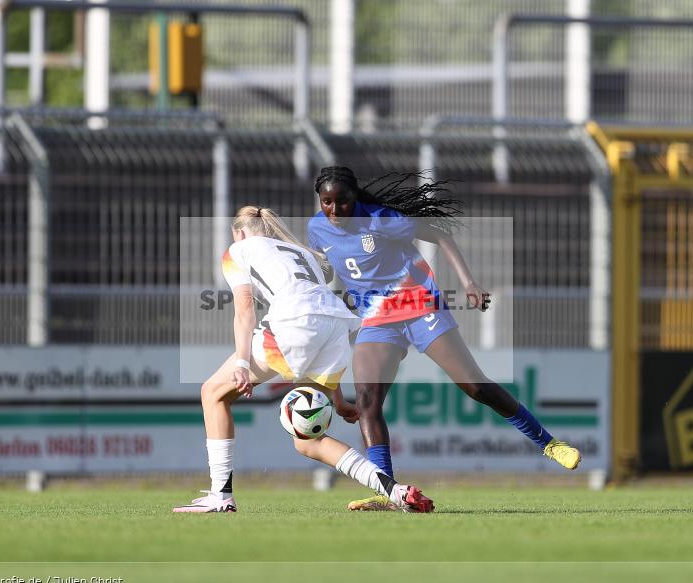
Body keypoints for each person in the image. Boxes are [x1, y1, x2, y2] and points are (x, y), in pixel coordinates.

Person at [308, 166, 581, 511]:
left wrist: (468, 283)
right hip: (378, 318)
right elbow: (330, 264)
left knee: (475, 386)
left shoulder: (380, 219)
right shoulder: (316, 228)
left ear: (355, 197)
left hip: (418, 305)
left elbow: (439, 235)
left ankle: (549, 442)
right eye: (327, 202)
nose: (335, 211)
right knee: (366, 401)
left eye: (343, 202)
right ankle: (388, 492)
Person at [174, 206, 434, 513]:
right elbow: (316, 321)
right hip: (334, 324)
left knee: (213, 392)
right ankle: (396, 491)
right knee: (307, 439)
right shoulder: (298, 251)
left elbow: (244, 311)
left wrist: (243, 364)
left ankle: (221, 496)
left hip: (295, 322)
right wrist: (337, 401)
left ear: (240, 233)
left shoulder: (238, 249)